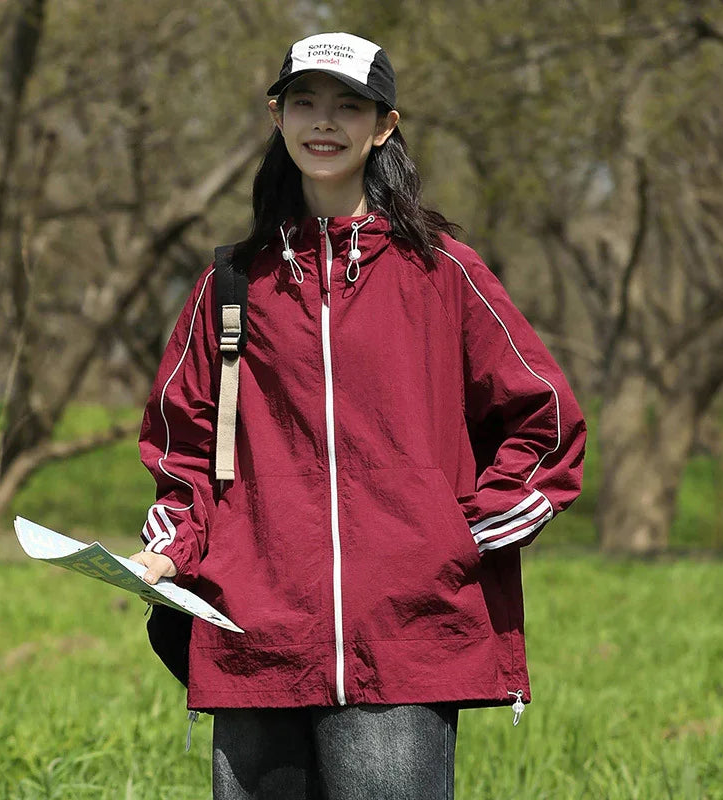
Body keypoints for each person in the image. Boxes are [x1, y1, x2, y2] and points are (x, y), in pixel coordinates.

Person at [130, 31, 586, 800]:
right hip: (253, 639)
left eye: (348, 106)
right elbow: (184, 450)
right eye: (304, 102)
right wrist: (167, 552)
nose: (324, 121)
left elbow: (546, 423)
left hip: (405, 641)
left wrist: (453, 539)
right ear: (276, 116)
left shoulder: (444, 271)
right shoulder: (231, 284)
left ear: (384, 126)